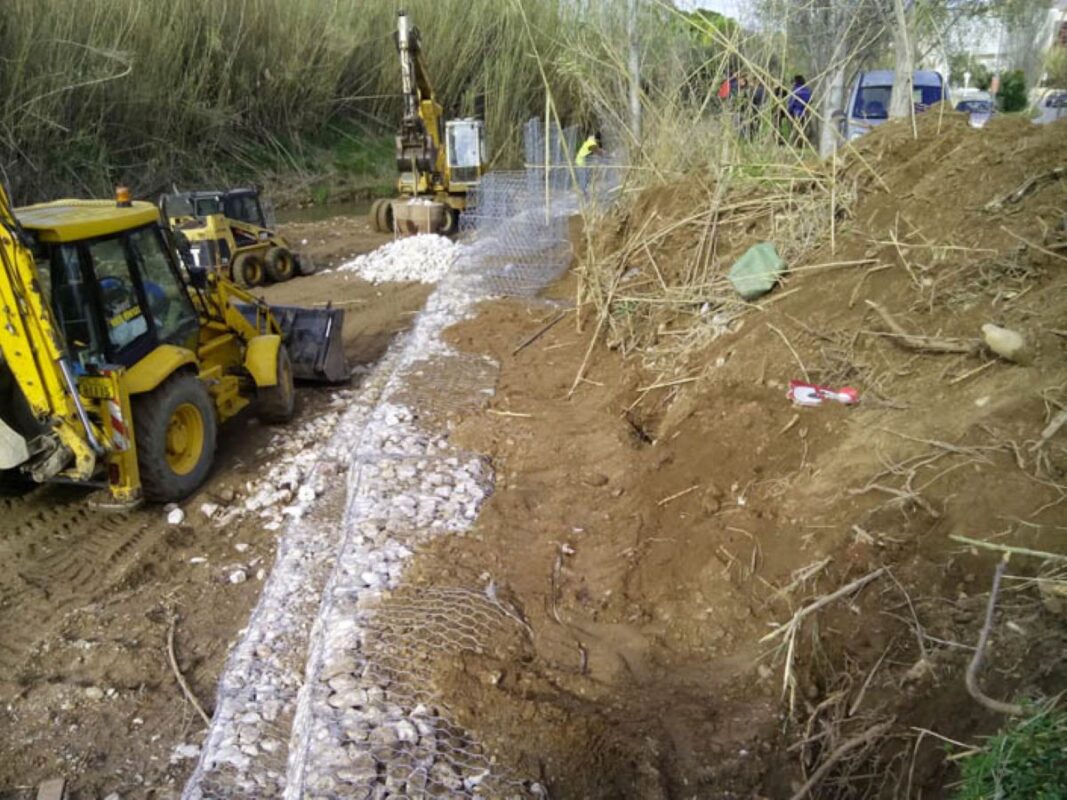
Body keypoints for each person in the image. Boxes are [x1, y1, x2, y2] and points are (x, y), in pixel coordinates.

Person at [787, 75, 812, 143]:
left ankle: (796, 141)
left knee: (795, 128)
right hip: (805, 112)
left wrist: (789, 110)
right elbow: (809, 100)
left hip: (795, 112)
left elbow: (791, 102)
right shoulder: (807, 90)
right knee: (803, 127)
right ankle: (802, 141)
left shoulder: (795, 90)